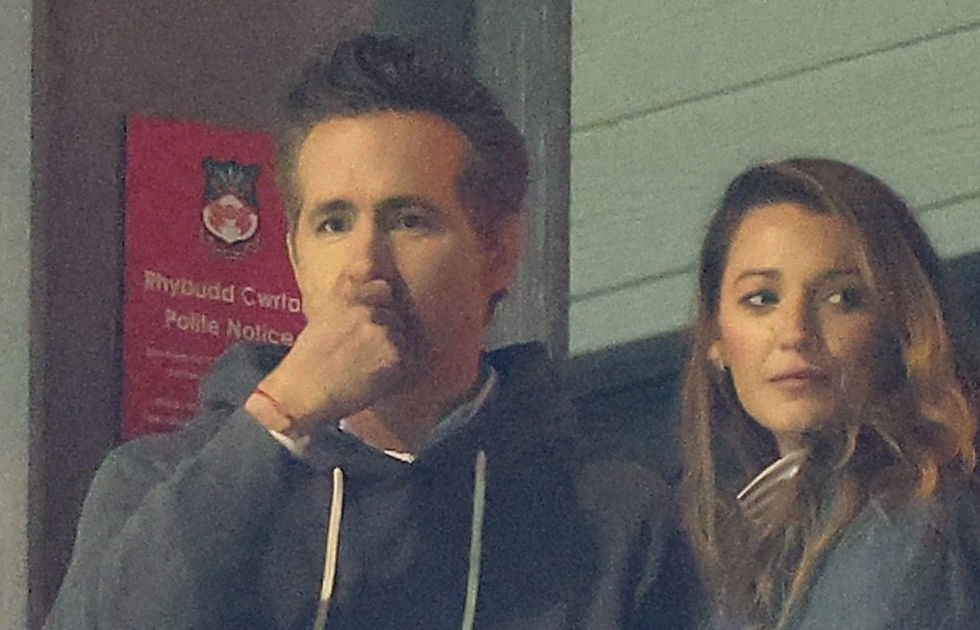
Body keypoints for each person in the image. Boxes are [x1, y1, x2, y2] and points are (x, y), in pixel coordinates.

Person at [46, 34, 693, 630]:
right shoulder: (158, 483)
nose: (364, 264)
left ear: (498, 250)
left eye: (409, 220)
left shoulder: (611, 521)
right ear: (296, 259)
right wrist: (280, 416)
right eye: (333, 224)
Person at [677, 158, 980, 629]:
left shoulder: (906, 523)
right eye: (762, 299)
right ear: (715, 336)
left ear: (899, 327)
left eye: (842, 298)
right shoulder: (746, 537)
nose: (794, 333)